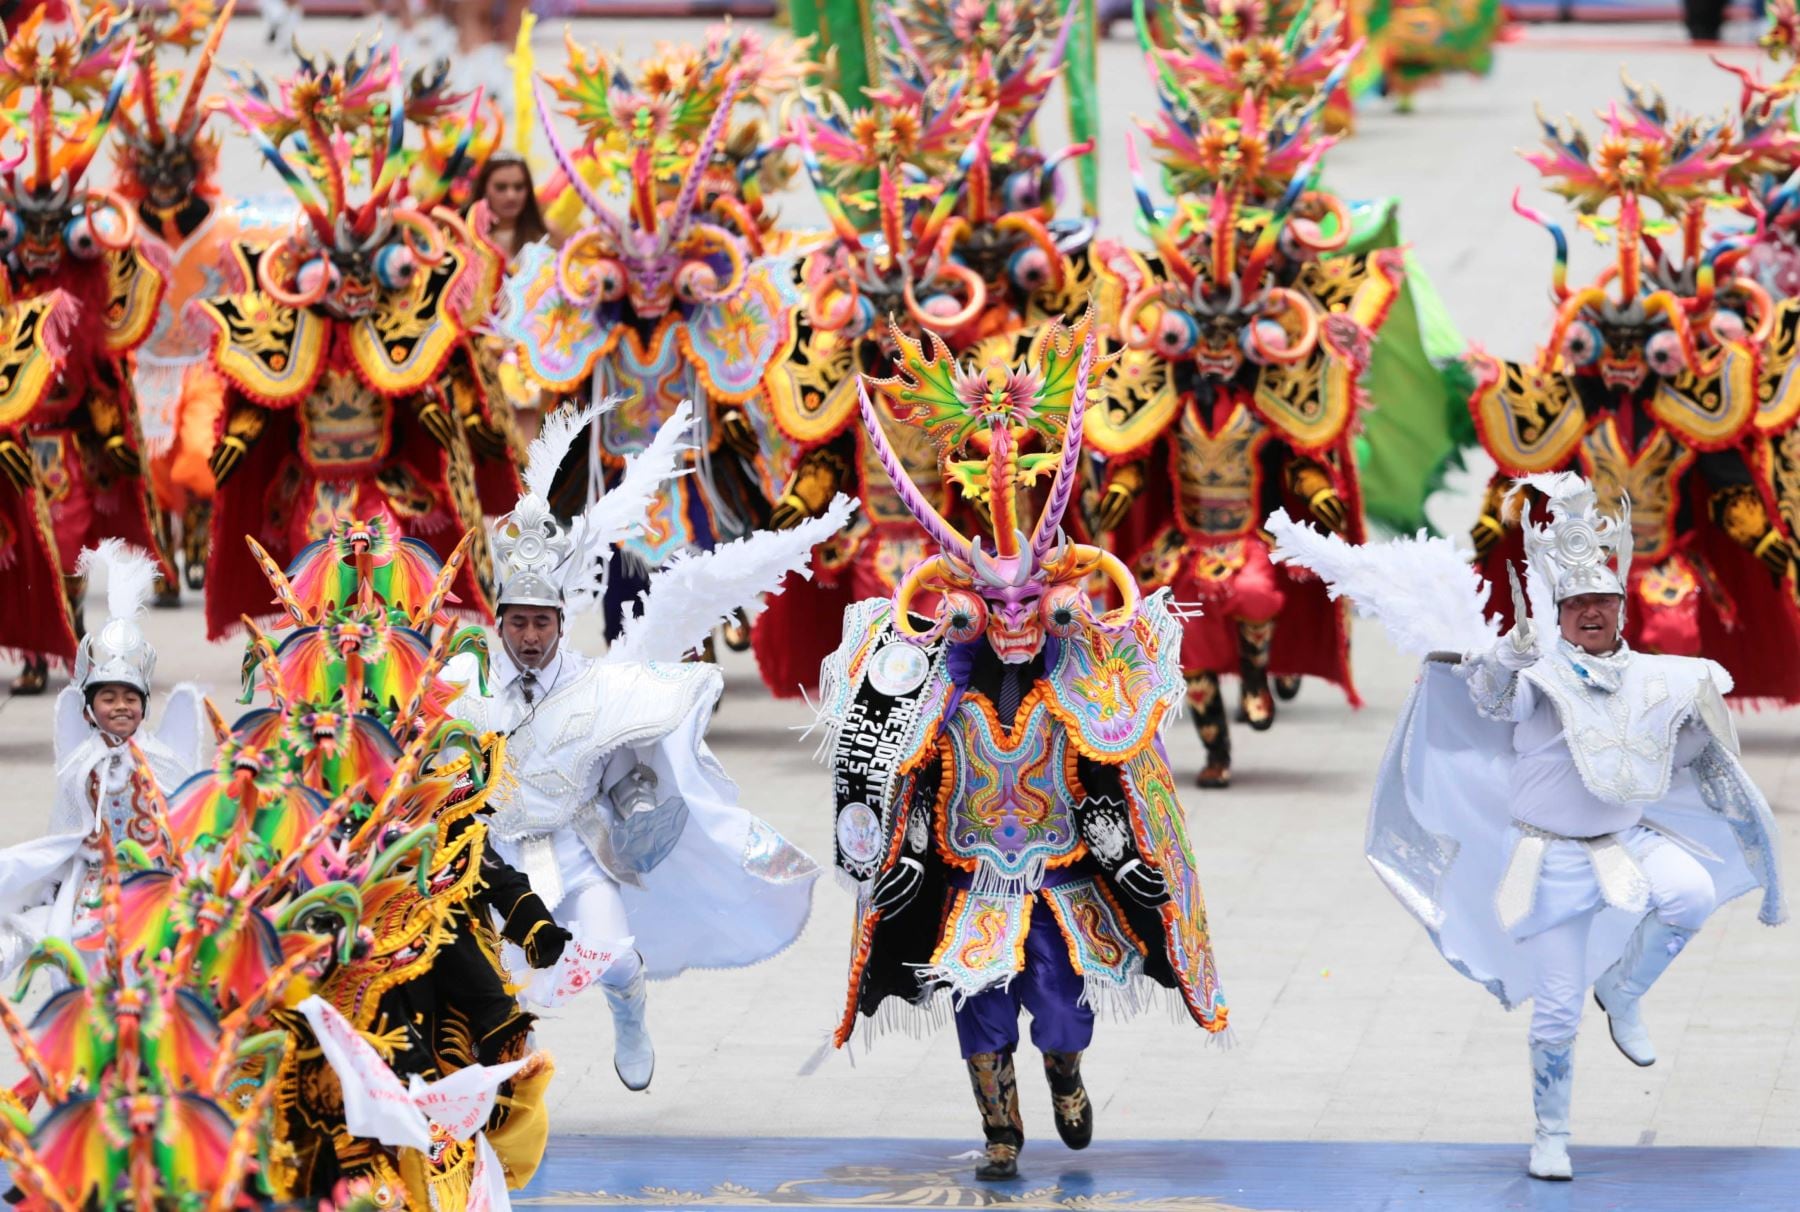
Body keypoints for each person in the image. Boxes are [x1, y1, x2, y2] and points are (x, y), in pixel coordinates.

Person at [1268, 473, 1785, 1183]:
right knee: (1557, 1010)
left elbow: (1685, 754)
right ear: (1560, 612)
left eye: (1603, 599)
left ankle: (1626, 991)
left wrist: (1697, 726)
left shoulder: (1657, 676)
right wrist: (1504, 658)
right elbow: (1490, 700)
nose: (1592, 612)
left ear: (1621, 605)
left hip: (1630, 842)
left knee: (1691, 893)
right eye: (1577, 604)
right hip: (1555, 862)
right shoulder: (1536, 675)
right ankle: (1551, 1133)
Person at [815, 314, 1229, 1182]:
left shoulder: (1078, 682)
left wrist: (1127, 860)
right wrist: (909, 862)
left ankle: (1068, 1075)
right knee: (979, 1004)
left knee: (1059, 1008)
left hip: (1061, 873)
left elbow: (1110, 782)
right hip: (971, 873)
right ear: (964, 606)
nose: (1010, 625)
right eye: (991, 610)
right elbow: (914, 784)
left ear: (1052, 603)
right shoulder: (938, 688)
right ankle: (1001, 1129)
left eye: (1026, 608)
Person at [448, 404, 837, 1091]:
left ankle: (630, 1009)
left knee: (610, 956)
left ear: (560, 623)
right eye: (520, 622)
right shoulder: (462, 679)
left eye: (543, 622)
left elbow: (625, 773)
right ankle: (510, 1091)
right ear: (501, 622)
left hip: (570, 846)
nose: (531, 636)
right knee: (496, 991)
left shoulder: (599, 684)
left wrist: (640, 797)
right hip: (495, 856)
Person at [0, 541, 208, 972]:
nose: (120, 706)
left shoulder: (159, 759)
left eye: (130, 698)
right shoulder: (83, 763)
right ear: (89, 709)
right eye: (108, 697)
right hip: (95, 880)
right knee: (78, 947)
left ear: (144, 706)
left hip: (153, 878)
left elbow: (183, 810)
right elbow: (67, 823)